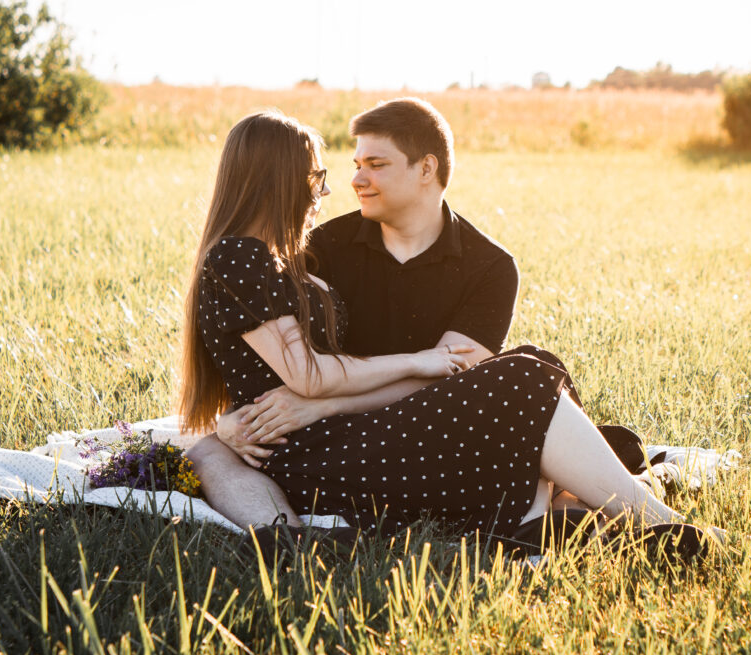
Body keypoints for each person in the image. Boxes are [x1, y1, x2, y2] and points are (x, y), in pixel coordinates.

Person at [180, 110, 703, 545]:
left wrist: (320, 405)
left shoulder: (488, 267)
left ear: (426, 168)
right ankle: (636, 520)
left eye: (375, 165)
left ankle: (577, 513)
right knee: (524, 377)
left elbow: (445, 374)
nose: (345, 184)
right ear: (279, 179)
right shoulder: (311, 249)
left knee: (536, 365)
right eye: (329, 174)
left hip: (358, 425)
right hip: (329, 447)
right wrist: (229, 424)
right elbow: (280, 367)